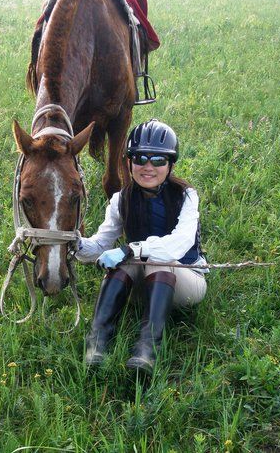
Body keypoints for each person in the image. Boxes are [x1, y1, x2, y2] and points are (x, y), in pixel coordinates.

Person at [76, 119, 208, 372]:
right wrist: (74, 244)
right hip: (144, 283)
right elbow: (101, 243)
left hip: (185, 281)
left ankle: (147, 349)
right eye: (140, 159)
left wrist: (130, 249)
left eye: (158, 160)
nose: (148, 167)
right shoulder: (120, 199)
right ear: (129, 162)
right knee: (123, 265)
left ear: (170, 165)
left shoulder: (187, 196)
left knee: (157, 261)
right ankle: (97, 343)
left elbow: (177, 246)